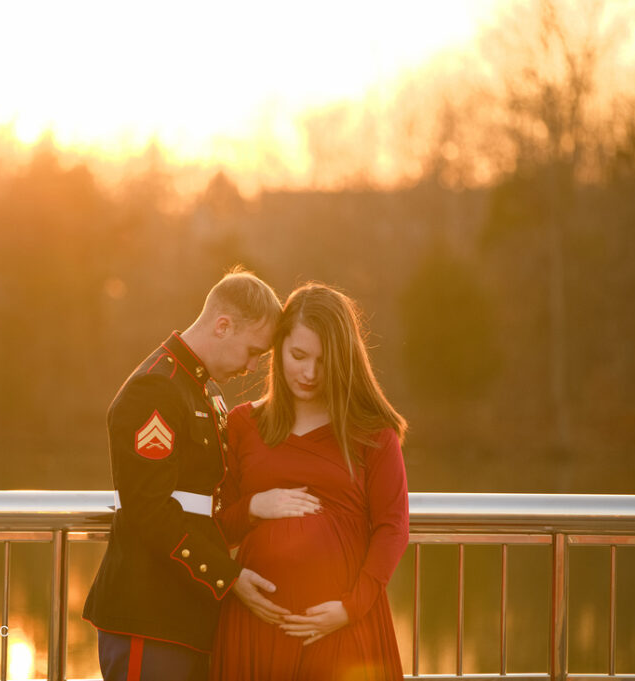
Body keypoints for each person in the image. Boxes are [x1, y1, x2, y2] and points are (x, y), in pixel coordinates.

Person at [84, 268, 287, 681]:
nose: (252, 367)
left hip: (183, 613)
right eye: (252, 352)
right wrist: (227, 577)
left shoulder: (203, 393)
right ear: (223, 325)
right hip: (148, 614)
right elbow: (148, 509)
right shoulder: (156, 389)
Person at [211, 283, 410, 681]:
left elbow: (392, 527)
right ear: (278, 348)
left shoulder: (372, 433)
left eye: (324, 360)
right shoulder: (243, 425)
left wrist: (351, 608)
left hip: (343, 629)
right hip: (255, 627)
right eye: (298, 355)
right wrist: (253, 508)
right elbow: (215, 528)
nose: (310, 373)